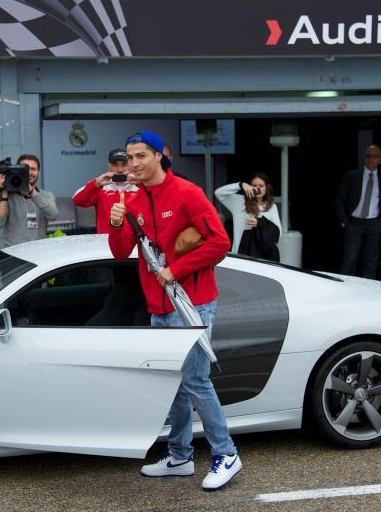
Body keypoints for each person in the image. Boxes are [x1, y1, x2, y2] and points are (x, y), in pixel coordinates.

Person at [108, 131, 241, 491]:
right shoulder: (133, 199)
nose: (134, 163)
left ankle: (226, 454)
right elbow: (121, 252)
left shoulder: (187, 193)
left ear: (159, 157)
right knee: (174, 386)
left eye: (141, 156)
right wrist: (117, 220)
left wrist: (175, 270)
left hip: (194, 303)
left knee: (196, 381)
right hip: (158, 304)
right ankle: (180, 455)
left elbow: (220, 243)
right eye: (130, 156)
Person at [335, 145, 381, 278]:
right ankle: (344, 290)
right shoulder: (352, 176)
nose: (371, 159)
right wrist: (344, 222)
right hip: (354, 222)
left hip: (375, 223)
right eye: (368, 156)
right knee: (350, 259)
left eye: (375, 156)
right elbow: (339, 199)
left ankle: (367, 293)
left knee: (371, 262)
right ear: (364, 158)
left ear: (380, 159)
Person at [0, 154, 58, 249]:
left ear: (38, 172)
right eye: (25, 169)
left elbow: (54, 215)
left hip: (38, 253)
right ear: (16, 171)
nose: (29, 172)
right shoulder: (8, 196)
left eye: (33, 169)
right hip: (11, 254)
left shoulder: (46, 195)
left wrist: (33, 193)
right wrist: (4, 196)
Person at [215, 172, 281, 261]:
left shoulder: (271, 207)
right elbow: (218, 193)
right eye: (254, 185)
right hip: (239, 256)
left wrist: (259, 223)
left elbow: (277, 233)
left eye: (261, 186)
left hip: (261, 258)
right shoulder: (239, 202)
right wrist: (240, 185)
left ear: (267, 187)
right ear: (249, 186)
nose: (257, 189)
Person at [71, 149, 139, 233]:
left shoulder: (139, 186)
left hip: (135, 241)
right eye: (115, 165)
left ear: (130, 165)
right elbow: (77, 200)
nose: (120, 169)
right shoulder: (100, 187)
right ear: (109, 166)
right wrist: (96, 183)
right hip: (105, 241)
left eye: (124, 165)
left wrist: (141, 183)